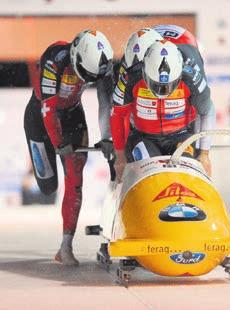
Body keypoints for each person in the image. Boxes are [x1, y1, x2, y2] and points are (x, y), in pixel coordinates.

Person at [24, 30, 115, 266]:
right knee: (48, 186)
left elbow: (105, 102)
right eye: (84, 74)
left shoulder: (104, 66)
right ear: (75, 57)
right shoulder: (55, 56)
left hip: (73, 115)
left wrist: (107, 137)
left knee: (75, 178)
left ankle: (65, 247)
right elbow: (48, 108)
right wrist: (58, 143)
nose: (86, 80)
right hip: (40, 116)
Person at [111, 38, 215, 182]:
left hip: (181, 136)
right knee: (151, 174)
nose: (162, 91)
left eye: (168, 85)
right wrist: (120, 156)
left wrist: (204, 154)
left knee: (185, 173)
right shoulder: (130, 78)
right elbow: (117, 114)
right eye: (156, 84)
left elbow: (207, 111)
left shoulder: (192, 78)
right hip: (143, 137)